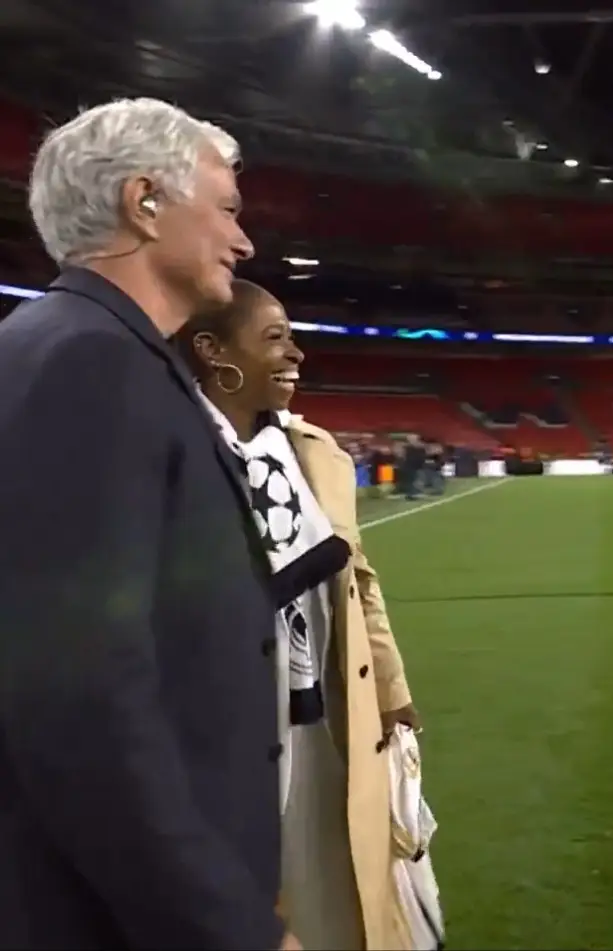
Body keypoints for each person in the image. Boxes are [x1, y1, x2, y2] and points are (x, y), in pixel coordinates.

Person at [0, 98, 296, 948]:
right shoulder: (93, 362)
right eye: (227, 209)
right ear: (145, 202)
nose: (243, 242)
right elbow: (82, 703)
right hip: (120, 915)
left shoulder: (62, 342)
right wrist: (228, 924)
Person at [176, 279, 423, 951]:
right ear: (213, 350)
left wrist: (392, 691)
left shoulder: (316, 452)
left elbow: (358, 581)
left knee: (338, 891)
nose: (296, 354)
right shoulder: (177, 454)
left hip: (329, 713)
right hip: (240, 724)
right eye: (275, 338)